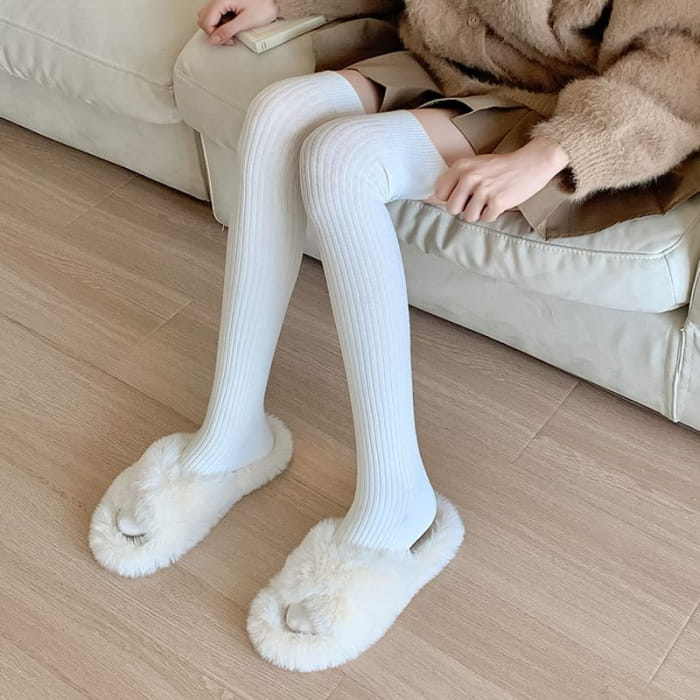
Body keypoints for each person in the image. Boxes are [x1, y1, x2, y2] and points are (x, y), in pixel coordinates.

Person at [89, 0, 700, 672]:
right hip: (446, 65)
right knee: (274, 115)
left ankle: (398, 507)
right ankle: (232, 434)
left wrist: (552, 154)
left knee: (341, 160)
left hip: (570, 114)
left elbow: (680, 60)